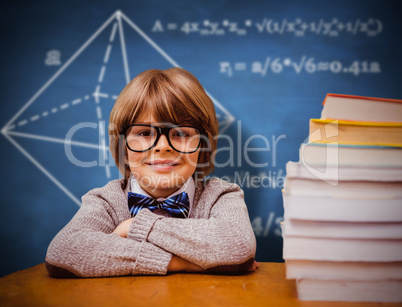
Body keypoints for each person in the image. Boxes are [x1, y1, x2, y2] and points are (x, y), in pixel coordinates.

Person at [45, 67, 257, 277]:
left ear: (203, 146)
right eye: (145, 132)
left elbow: (237, 247)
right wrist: (180, 263)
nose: (163, 146)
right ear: (123, 148)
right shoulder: (106, 201)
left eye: (181, 133)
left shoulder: (221, 195)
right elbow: (63, 252)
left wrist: (135, 226)